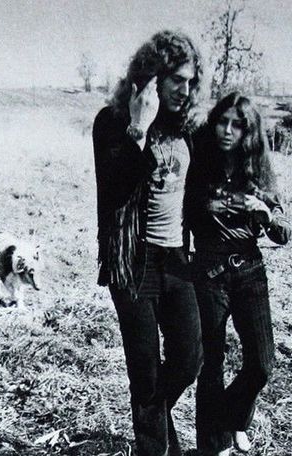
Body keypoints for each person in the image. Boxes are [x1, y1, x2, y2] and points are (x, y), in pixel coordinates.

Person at [92, 30, 203, 456]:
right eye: (176, 78)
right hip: (132, 261)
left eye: (191, 81)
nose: (185, 89)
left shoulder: (185, 129)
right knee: (144, 368)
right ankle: (154, 448)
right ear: (152, 77)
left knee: (189, 358)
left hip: (176, 257)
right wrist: (139, 128)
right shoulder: (112, 123)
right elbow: (115, 191)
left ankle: (154, 418)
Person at [187, 92, 292, 456]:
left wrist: (264, 211)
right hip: (209, 272)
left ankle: (231, 419)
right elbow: (181, 210)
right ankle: (211, 447)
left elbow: (284, 233)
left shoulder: (259, 166)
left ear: (249, 131)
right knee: (210, 364)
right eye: (222, 121)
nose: (227, 131)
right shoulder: (199, 159)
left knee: (262, 365)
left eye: (236, 125)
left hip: (249, 271)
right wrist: (204, 205)